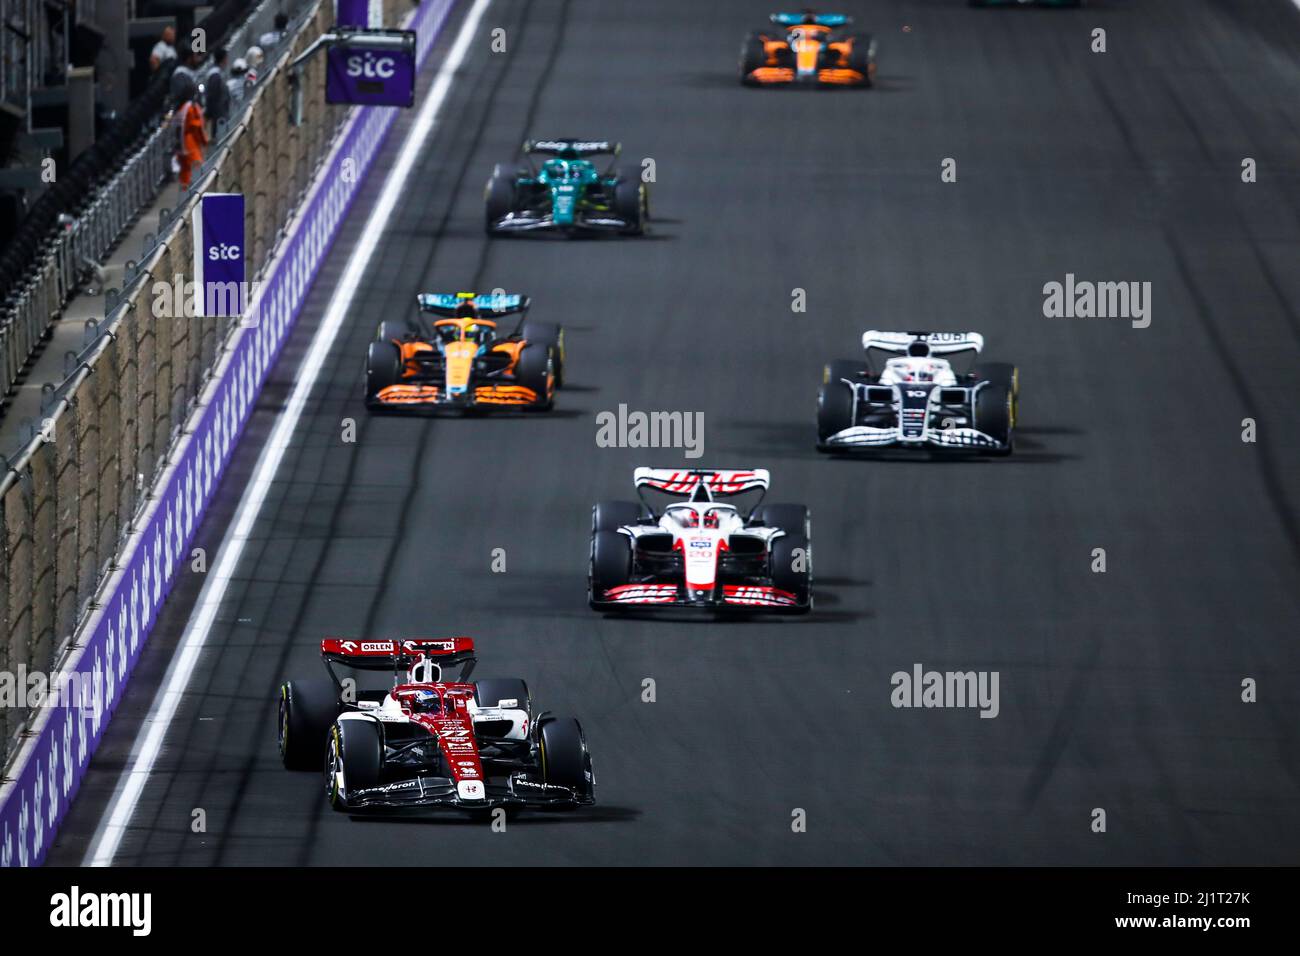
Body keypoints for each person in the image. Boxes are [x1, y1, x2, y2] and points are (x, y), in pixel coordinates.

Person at [171, 78, 209, 189]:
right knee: (198, 171)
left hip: (180, 143)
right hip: (191, 143)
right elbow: (196, 126)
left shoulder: (180, 108)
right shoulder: (192, 108)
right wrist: (204, 141)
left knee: (185, 174)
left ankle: (184, 196)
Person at [203, 48, 232, 138]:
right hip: (218, 119)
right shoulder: (215, 76)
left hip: (221, 116)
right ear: (223, 59)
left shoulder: (218, 74)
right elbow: (212, 98)